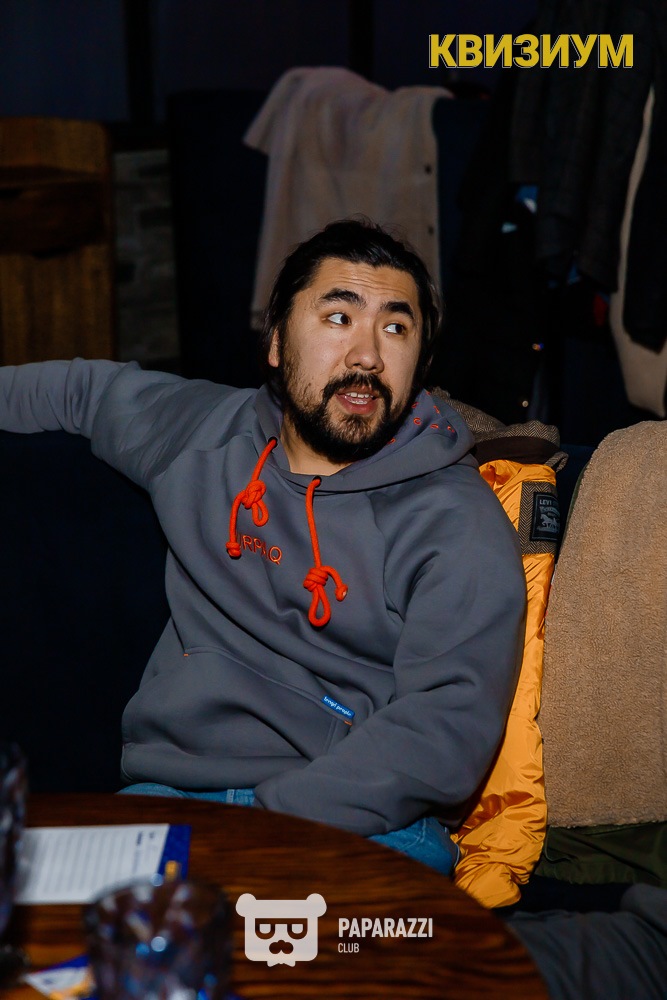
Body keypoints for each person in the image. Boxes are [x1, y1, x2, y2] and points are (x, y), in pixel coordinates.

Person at [0, 219, 526, 874]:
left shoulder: (453, 517)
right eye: (338, 318)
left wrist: (268, 826)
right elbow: (83, 392)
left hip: (365, 822)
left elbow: (446, 728)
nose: (367, 355)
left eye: (395, 328)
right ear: (277, 341)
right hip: (173, 798)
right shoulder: (205, 432)